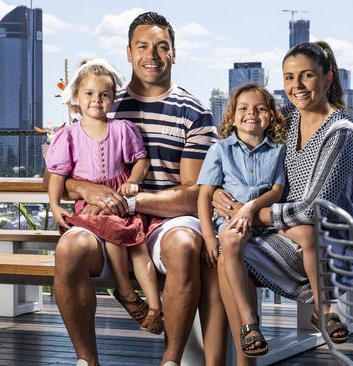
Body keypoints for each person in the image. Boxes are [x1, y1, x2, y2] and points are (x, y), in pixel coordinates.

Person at [45, 12, 226, 366]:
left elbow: (194, 193)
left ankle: (171, 359)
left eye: (162, 47)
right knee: (69, 250)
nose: (152, 55)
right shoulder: (103, 101)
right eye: (142, 46)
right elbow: (56, 174)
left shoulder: (195, 113)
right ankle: (87, 360)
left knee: (185, 245)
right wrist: (87, 188)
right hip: (103, 219)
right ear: (128, 53)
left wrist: (129, 202)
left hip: (166, 219)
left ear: (174, 53)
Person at [213, 41, 353, 365]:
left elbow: (314, 209)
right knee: (226, 248)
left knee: (229, 254)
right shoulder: (287, 122)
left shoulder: (341, 132)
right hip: (283, 233)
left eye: (306, 76)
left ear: (327, 79)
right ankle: (249, 335)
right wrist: (216, 192)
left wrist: (250, 213)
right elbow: (240, 149)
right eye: (289, 77)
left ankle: (246, 355)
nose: (296, 86)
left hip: (330, 245)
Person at [46, 59, 163, 335]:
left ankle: (156, 307)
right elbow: (57, 175)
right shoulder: (69, 136)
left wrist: (133, 181)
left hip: (121, 200)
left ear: (112, 98)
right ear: (76, 97)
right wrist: (53, 205)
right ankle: (127, 292)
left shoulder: (122, 130)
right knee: (115, 235)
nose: (96, 100)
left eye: (104, 95)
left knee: (139, 246)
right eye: (89, 94)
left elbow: (140, 161)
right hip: (91, 205)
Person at [197, 84, 288, 357]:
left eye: (260, 109)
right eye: (244, 109)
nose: (252, 114)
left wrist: (249, 207)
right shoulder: (220, 150)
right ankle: (249, 321)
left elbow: (277, 190)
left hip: (263, 225)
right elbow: (204, 195)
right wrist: (208, 237)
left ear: (270, 116)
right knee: (229, 239)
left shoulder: (278, 151)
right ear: (232, 117)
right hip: (230, 227)